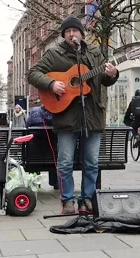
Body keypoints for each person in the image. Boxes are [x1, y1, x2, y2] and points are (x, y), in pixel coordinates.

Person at [27, 14, 119, 214]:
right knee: (65, 163)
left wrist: (113, 75)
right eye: (67, 31)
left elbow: (105, 79)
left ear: (81, 33)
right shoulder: (54, 54)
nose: (71, 34)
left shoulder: (95, 53)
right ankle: (67, 201)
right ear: (63, 35)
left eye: (74, 30)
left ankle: (87, 200)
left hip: (92, 117)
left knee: (91, 163)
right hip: (66, 118)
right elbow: (32, 74)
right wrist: (51, 84)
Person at [26, 105, 59, 189]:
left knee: (33, 153)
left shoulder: (34, 110)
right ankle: (55, 182)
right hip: (52, 151)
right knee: (55, 154)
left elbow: (27, 125)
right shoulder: (57, 111)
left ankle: (36, 182)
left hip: (35, 153)